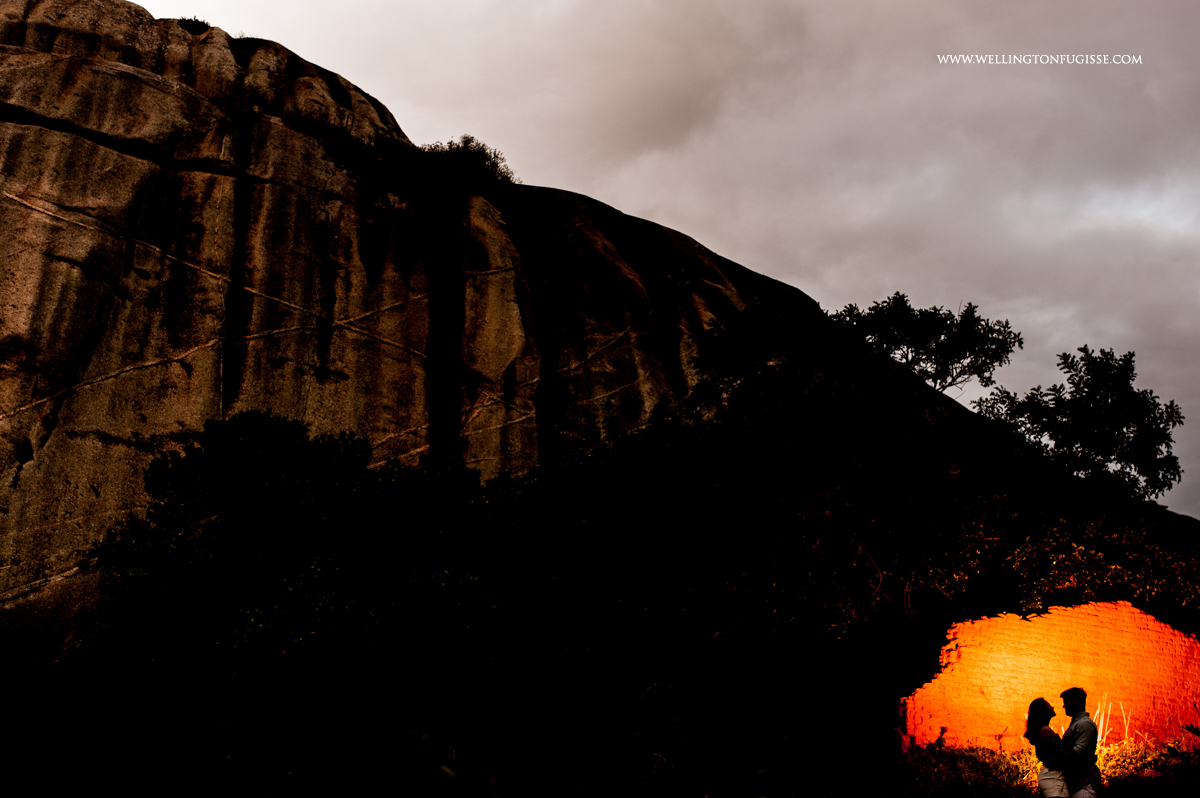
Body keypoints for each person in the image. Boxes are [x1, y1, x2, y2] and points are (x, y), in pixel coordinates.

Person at [1059, 687, 1103, 798]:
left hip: (1084, 787)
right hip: (1077, 785)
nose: (1064, 706)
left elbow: (1079, 752)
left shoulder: (1084, 724)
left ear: (1076, 702)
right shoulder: (1078, 723)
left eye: (1066, 701)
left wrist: (1057, 761)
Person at [1025, 697, 1068, 798]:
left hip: (1052, 776)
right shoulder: (1045, 731)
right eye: (1048, 705)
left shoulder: (1043, 731)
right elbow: (1062, 754)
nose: (1052, 707)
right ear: (1042, 711)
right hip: (1053, 777)